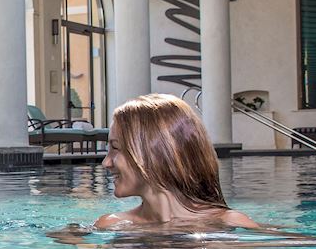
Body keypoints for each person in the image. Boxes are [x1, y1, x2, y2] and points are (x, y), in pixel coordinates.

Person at [93, 93, 260, 231]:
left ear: (155, 153)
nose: (106, 163)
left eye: (115, 148)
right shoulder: (111, 225)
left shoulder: (229, 223)